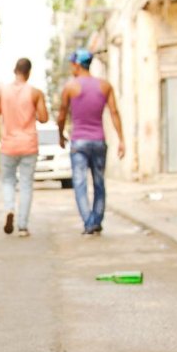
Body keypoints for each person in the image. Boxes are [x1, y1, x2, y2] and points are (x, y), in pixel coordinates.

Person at [57, 48, 125, 235]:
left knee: (79, 183)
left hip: (79, 142)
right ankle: (96, 219)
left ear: (77, 65)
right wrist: (121, 140)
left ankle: (88, 221)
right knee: (99, 183)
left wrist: (60, 135)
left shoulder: (70, 87)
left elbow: (62, 115)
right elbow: (114, 112)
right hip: (98, 141)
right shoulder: (105, 86)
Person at [0, 58, 49, 237]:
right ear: (29, 73)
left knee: (7, 181)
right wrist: (34, 111)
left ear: (15, 70)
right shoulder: (35, 93)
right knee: (26, 185)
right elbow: (44, 118)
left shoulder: (0, 92)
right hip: (29, 144)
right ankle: (22, 226)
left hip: (8, 145)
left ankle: (9, 209)